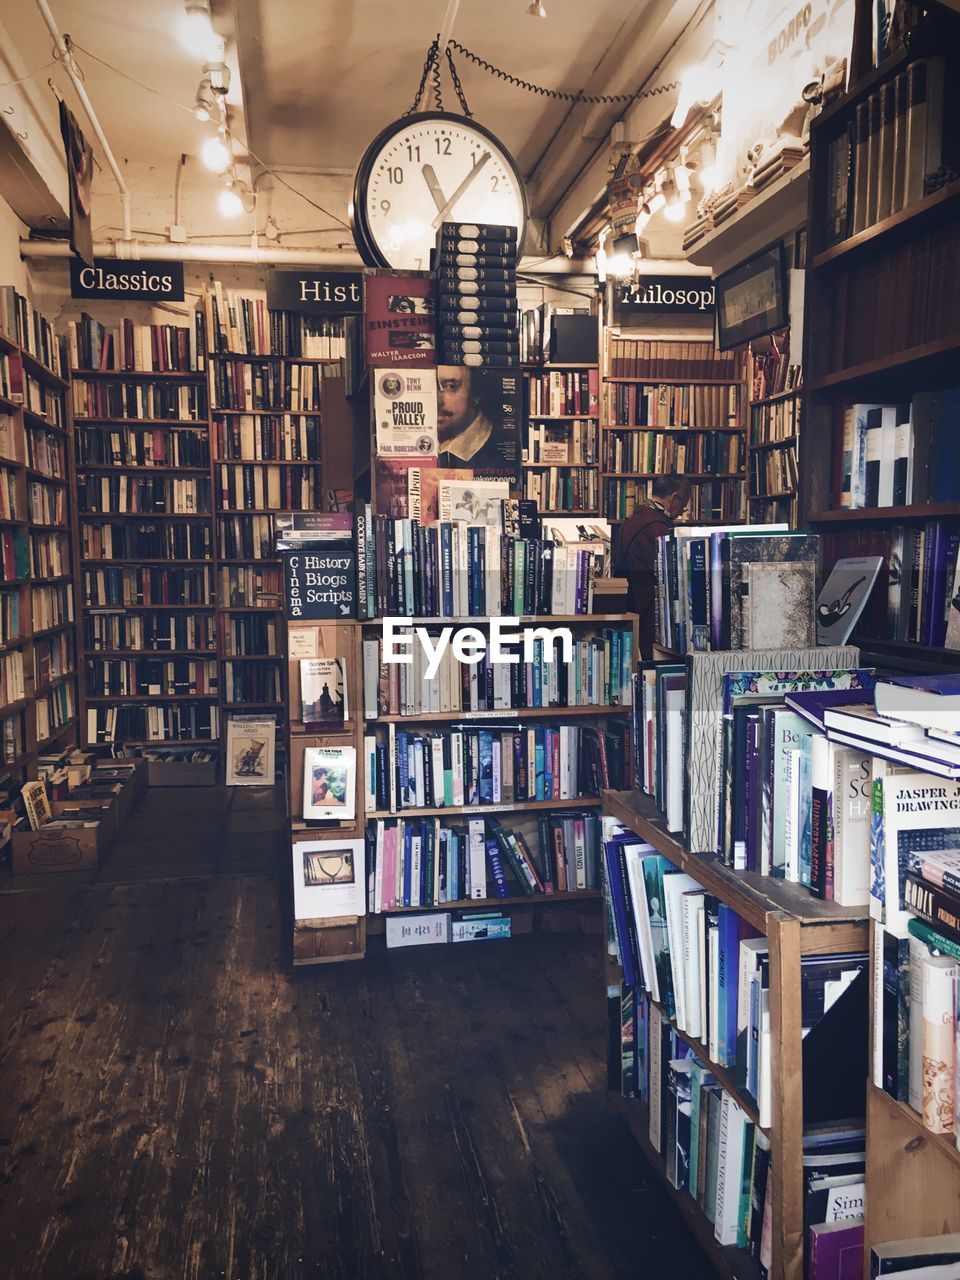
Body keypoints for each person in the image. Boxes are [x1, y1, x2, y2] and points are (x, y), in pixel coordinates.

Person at [613, 475, 692, 657]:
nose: (681, 512)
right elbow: (672, 580)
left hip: (630, 612)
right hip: (652, 620)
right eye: (683, 505)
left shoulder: (632, 521)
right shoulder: (656, 529)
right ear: (674, 498)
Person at [436, 365, 510, 470]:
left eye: (451, 386)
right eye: (429, 387)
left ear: (475, 391)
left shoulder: (502, 452)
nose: (438, 400)